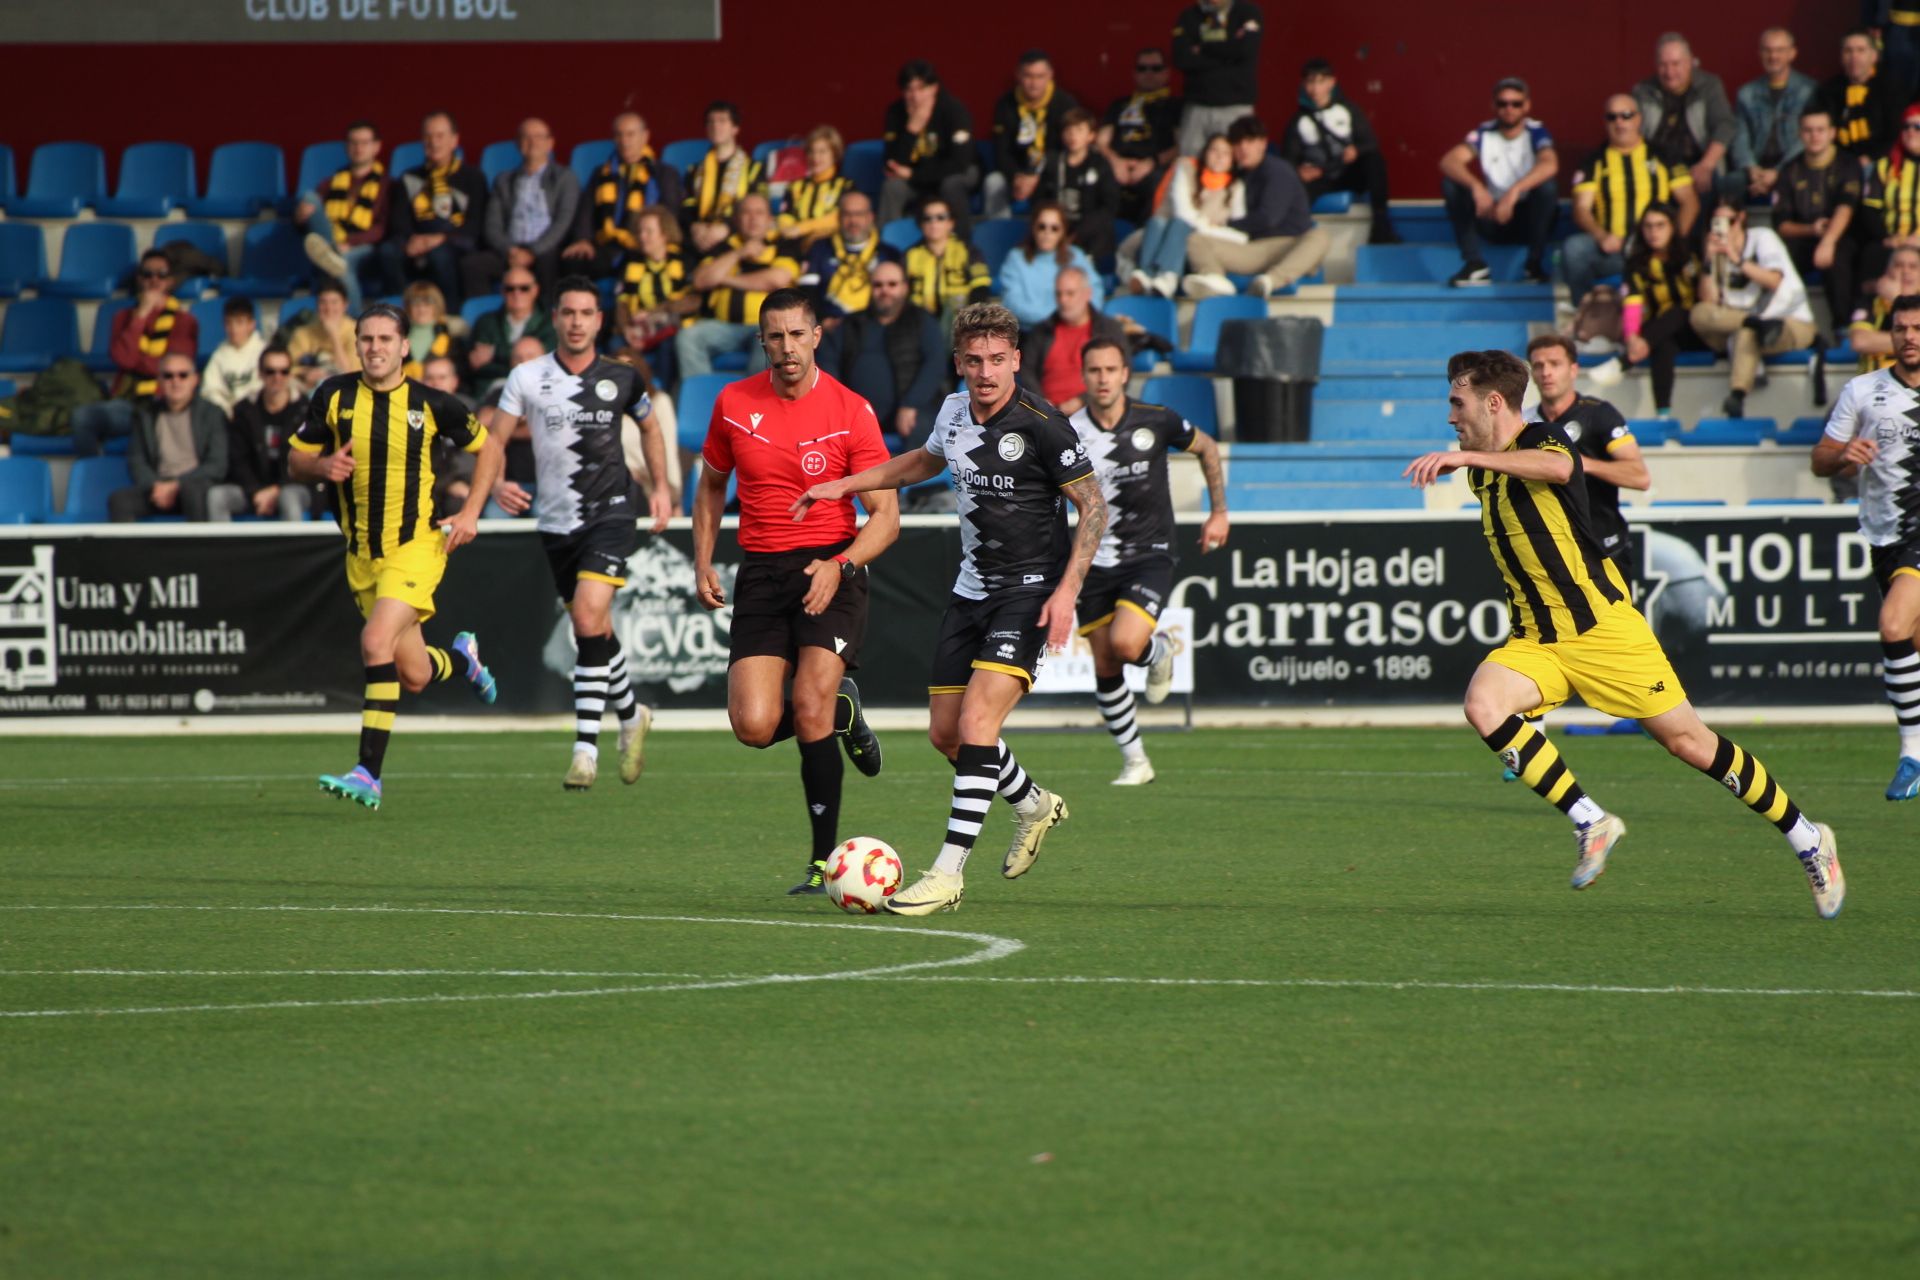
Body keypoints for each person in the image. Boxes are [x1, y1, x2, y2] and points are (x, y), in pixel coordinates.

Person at [1403, 349, 1843, 918]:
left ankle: (1809, 838)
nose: (1449, 417)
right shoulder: (1485, 468)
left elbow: (1559, 469)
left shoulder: (1547, 437)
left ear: (1493, 402)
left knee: (1690, 744)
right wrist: (1470, 458)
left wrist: (1460, 455)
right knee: (1483, 705)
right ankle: (1593, 821)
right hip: (1539, 638)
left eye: (1456, 403)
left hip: (1603, 631)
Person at [792, 302, 1107, 916]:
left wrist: (1067, 591)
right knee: (947, 735)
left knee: (977, 725)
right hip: (971, 591)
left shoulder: (1044, 424)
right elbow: (926, 461)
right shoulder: (954, 410)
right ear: (959, 361)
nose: (985, 372)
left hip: (1030, 592)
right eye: (973, 360)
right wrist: (847, 484)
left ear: (1016, 359)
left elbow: (1093, 508)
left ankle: (947, 873)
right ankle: (1032, 802)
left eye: (997, 360)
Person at [693, 288, 895, 893]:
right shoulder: (732, 403)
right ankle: (845, 707)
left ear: (816, 336)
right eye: (774, 336)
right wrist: (702, 558)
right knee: (754, 726)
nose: (786, 347)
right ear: (762, 341)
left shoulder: (851, 411)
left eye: (796, 334)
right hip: (759, 571)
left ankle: (823, 861)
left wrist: (843, 564)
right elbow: (709, 487)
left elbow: (886, 517)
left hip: (829, 568)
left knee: (806, 708)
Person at [288, 301, 506, 811]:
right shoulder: (335, 396)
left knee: (374, 639)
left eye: (386, 339)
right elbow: (296, 459)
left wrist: (472, 511)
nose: (375, 348)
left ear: (405, 346)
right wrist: (322, 467)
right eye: (367, 339)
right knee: (413, 675)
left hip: (416, 547)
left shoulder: (432, 403)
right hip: (362, 556)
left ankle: (369, 772)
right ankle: (463, 661)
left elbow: (491, 447)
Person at [485, 276, 672, 790]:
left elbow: (651, 427)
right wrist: (494, 485)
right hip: (556, 521)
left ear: (598, 320)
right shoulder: (526, 377)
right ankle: (632, 713)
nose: (576, 322)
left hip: (612, 511)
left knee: (588, 618)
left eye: (586, 313)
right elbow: (493, 439)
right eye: (567, 312)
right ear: (556, 317)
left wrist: (660, 488)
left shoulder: (622, 377)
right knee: (596, 629)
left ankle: (584, 750)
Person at [1069, 336, 1227, 784]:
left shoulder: (1156, 420)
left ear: (1125, 374)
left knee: (1125, 644)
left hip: (1149, 553)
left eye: (1110, 370)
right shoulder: (1069, 430)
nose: (1102, 378)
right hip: (1092, 560)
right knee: (1105, 664)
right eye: (1094, 371)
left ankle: (1160, 649)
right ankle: (1136, 760)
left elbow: (1208, 448)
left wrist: (1219, 512)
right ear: (1084, 376)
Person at [1812, 294, 1920, 801]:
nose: (1909, 336)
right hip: (1886, 535)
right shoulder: (1864, 390)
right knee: (1913, 647)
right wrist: (1843, 455)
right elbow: (1820, 459)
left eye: (1917, 327)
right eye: (1900, 328)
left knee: (1893, 625)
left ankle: (1911, 754)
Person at [1526, 335, 1648, 592]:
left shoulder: (1599, 414)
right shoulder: (1524, 424)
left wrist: (1581, 464)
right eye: (1538, 365)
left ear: (1573, 370)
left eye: (1554, 363)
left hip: (1602, 548)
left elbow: (1639, 476)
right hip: (1548, 553)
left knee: (1617, 631)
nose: (1546, 372)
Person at [1564, 95, 1698, 308]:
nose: (1619, 122)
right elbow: (1581, 208)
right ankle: (1584, 312)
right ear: (1605, 122)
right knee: (1574, 249)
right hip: (1614, 251)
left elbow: (1689, 202)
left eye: (1626, 116)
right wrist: (1602, 236)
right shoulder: (1594, 161)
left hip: (1655, 247)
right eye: (1612, 117)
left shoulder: (1663, 154)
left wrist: (1673, 241)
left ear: (1638, 119)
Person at [1689, 198, 1817, 418]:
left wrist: (1735, 258)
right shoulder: (1715, 250)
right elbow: (1708, 302)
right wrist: (1709, 260)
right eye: (1715, 221)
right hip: (1742, 325)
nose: (1721, 227)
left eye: (1726, 221)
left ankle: (1737, 395)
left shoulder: (1762, 237)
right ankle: (1752, 323)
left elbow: (1773, 280)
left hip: (1788, 321)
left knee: (1748, 332)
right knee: (1698, 313)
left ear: (1741, 218)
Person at [69, 249, 199, 457]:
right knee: (82, 417)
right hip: (129, 404)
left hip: (165, 403)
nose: (154, 280)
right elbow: (123, 359)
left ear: (171, 281)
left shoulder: (185, 322)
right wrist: (140, 317)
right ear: (140, 279)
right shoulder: (122, 318)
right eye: (148, 274)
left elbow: (171, 367)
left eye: (161, 274)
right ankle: (94, 472)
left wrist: (141, 362)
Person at [1183, 115, 1328, 299]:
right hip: (1253, 247)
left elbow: (1269, 218)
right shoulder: (1237, 176)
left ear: (1263, 144)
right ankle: (1215, 280)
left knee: (1320, 236)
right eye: (1237, 143)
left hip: (1290, 244)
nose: (1243, 148)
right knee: (1195, 240)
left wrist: (1227, 224)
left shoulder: (1277, 170)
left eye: (1250, 141)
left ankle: (1269, 282)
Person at [1439, 77, 1558, 287]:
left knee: (1548, 188)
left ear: (1527, 105)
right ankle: (1475, 264)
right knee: (1452, 185)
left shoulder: (1536, 132)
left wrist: (1513, 192)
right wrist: (1477, 187)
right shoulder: (1484, 133)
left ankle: (1534, 265)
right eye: (1503, 103)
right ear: (1493, 106)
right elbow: (1449, 161)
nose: (1509, 109)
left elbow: (1550, 163)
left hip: (1527, 219)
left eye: (1516, 103)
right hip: (1491, 215)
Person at [817, 259, 947, 449]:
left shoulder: (922, 321)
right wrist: (839, 404)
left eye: (892, 284)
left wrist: (911, 404)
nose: (884, 290)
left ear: (904, 287)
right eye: (878, 285)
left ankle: (913, 480)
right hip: (854, 417)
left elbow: (935, 366)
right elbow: (827, 361)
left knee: (924, 431)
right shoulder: (851, 324)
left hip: (912, 412)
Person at [676, 193, 800, 379]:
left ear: (769, 219)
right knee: (687, 337)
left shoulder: (781, 244)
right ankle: (702, 398)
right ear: (736, 219)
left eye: (759, 213)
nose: (753, 219)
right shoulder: (724, 247)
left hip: (764, 326)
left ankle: (754, 405)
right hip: (723, 325)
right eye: (746, 213)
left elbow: (777, 280)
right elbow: (701, 280)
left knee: (773, 341)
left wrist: (726, 279)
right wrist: (739, 253)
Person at [1284, 57, 1401, 245]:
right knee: (1296, 188)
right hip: (1320, 177)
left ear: (1332, 82)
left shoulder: (1348, 110)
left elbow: (1371, 142)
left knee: (1374, 160)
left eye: (1321, 81)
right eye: (1310, 82)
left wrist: (1356, 150)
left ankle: (1381, 227)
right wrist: (1300, 171)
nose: (1315, 89)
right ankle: (1296, 240)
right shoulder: (1298, 120)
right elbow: (1288, 158)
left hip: (1348, 173)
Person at [380, 110, 487, 311]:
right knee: (388, 252)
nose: (433, 142)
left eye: (440, 136)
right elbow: (398, 221)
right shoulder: (409, 177)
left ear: (454, 140)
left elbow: (475, 224)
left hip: (455, 240)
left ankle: (450, 314)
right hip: (417, 239)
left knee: (440, 255)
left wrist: (441, 238)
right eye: (428, 136)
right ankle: (401, 313)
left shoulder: (472, 176)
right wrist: (413, 239)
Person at [468, 116, 579, 304]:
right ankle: (485, 318)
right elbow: (492, 224)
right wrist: (510, 251)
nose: (532, 142)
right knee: (472, 265)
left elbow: (563, 222)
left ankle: (547, 323)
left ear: (550, 143)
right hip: (510, 250)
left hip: (545, 250)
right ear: (518, 143)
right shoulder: (503, 180)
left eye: (538, 137)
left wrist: (533, 251)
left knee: (551, 262)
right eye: (526, 137)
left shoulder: (564, 177)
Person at [107, 352, 229, 522]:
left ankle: (198, 549)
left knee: (192, 492)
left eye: (183, 375)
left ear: (195, 380)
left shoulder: (212, 414)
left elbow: (217, 464)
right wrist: (155, 485)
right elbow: (137, 460)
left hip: (195, 487)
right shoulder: (145, 415)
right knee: (119, 500)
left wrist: (177, 484)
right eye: (168, 375)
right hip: (157, 488)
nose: (175, 381)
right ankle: (130, 550)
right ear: (159, 381)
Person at [562, 112, 685, 280]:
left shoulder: (664, 173)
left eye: (630, 134)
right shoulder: (601, 173)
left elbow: (670, 213)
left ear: (645, 136)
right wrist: (583, 239)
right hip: (607, 243)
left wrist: (652, 241)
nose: (624, 141)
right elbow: (587, 210)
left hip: (644, 242)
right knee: (573, 261)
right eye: (619, 135)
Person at [1124, 132, 1244, 299]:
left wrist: (1204, 228)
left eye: (1225, 153)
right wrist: (1205, 224)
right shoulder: (1187, 168)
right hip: (1169, 232)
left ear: (1232, 159)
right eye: (1214, 150)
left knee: (1181, 226)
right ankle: (1153, 276)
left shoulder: (1236, 187)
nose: (1219, 157)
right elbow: (1182, 211)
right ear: (1205, 152)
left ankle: (1161, 275)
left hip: (1202, 241)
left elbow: (1238, 230)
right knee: (1159, 222)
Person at [1773, 106, 1862, 331]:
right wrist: (1812, 230)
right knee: (1779, 256)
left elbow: (1846, 207)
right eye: (1808, 130)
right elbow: (1782, 225)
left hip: (1842, 236)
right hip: (1804, 237)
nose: (1814, 136)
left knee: (1838, 257)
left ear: (1832, 133)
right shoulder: (1789, 170)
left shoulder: (1848, 164)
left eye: (1820, 130)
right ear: (1799, 134)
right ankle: (1783, 326)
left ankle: (1842, 329)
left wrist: (1828, 240)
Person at [1620, 202, 1708, 418]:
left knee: (1679, 312)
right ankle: (1663, 412)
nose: (1653, 232)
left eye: (1660, 225)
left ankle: (1625, 361)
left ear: (1672, 227)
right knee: (1663, 346)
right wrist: (1632, 338)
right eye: (1648, 227)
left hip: (1697, 329)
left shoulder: (1691, 254)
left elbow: (1706, 298)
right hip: (1660, 333)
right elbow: (1632, 302)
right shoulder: (1636, 263)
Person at [878, 60, 980, 241]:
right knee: (892, 186)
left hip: (953, 173)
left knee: (952, 183)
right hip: (915, 179)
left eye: (921, 88)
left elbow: (959, 163)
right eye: (909, 90)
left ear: (934, 88)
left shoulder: (954, 110)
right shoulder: (896, 112)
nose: (915, 96)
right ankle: (886, 248)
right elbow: (891, 164)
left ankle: (963, 244)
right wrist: (911, 131)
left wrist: (913, 175)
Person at [210, 347, 314, 522]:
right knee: (217, 496)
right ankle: (224, 550)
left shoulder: (306, 411)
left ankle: (294, 550)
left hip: (294, 487)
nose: (277, 377)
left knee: (288, 498)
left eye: (284, 371)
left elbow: (308, 461)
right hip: (252, 489)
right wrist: (256, 492)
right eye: (270, 371)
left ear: (290, 375)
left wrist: (276, 490)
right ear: (260, 374)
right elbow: (237, 460)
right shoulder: (244, 410)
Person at [1632, 33, 1738, 200]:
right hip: (1655, 167)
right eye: (1663, 65)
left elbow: (1725, 126)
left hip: (1697, 163)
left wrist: (1706, 164)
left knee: (1708, 180)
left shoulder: (1709, 86)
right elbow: (1632, 132)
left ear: (1690, 63)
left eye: (1676, 64)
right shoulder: (1643, 91)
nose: (1669, 72)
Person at [298, 120, 390, 308]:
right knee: (309, 197)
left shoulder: (387, 184)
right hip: (332, 239)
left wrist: (350, 242)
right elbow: (311, 222)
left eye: (364, 143)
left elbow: (383, 227)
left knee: (342, 263)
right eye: (353, 142)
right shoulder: (331, 183)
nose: (358, 148)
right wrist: (299, 217)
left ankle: (331, 257)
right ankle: (356, 326)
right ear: (346, 147)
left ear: (377, 146)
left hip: (365, 248)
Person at [1018, 265, 1125, 416]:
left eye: (1070, 294)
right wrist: (1041, 402)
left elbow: (1121, 374)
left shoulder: (1108, 329)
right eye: (1058, 294)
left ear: (1087, 294)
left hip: (1096, 412)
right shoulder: (1041, 331)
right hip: (1046, 416)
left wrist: (1083, 401)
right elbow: (1027, 371)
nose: (1063, 300)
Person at [985, 49, 1079, 220]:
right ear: (1018, 75)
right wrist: (1017, 177)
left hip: (1049, 172)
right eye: (1028, 76)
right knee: (993, 181)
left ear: (1050, 75)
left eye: (1040, 76)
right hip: (1016, 174)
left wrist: (1037, 174)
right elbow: (1001, 151)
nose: (1034, 83)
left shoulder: (1065, 103)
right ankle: (999, 232)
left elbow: (1069, 151)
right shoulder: (1005, 103)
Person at [614, 206, 697, 393]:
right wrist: (627, 328)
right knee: (616, 346)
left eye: (649, 231)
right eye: (640, 231)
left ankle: (663, 396)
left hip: (669, 329)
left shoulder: (684, 262)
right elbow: (622, 302)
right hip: (637, 330)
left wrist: (655, 312)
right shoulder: (630, 264)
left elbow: (693, 300)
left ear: (664, 235)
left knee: (670, 346)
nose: (643, 236)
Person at [1733, 28, 1819, 202]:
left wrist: (1779, 171)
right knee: (1730, 183)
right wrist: (1751, 168)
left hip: (1795, 166)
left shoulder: (1809, 91)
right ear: (1759, 53)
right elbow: (1739, 136)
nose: (1773, 56)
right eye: (1767, 50)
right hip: (1756, 168)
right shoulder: (1746, 93)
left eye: (1780, 50)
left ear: (1792, 53)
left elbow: (1807, 137)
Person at [1171, 0, 1265, 158]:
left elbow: (1245, 50)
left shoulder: (1247, 12)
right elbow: (1182, 59)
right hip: (1197, 107)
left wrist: (1203, 47)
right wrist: (1228, 51)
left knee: (1236, 162)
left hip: (1236, 107)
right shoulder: (1189, 16)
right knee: (1189, 163)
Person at [1100, 46, 1182, 224]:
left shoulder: (1175, 106)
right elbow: (1100, 142)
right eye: (1142, 68)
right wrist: (1116, 162)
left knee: (1161, 182)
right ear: (1134, 73)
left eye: (1156, 68)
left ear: (1167, 73)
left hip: (1153, 166)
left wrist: (1152, 162)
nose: (1148, 73)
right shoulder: (1119, 104)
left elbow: (1181, 145)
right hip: (1118, 165)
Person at [795, 190, 900, 320]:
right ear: (838, 217)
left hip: (873, 325)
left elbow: (897, 298)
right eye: (847, 214)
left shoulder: (889, 254)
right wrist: (822, 320)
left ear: (871, 217)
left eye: (859, 214)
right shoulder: (819, 248)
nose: (853, 221)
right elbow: (807, 293)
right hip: (829, 327)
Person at [1035, 107, 1122, 262]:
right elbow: (1039, 199)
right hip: (1057, 225)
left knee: (1104, 229)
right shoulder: (1052, 162)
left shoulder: (1100, 165)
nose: (1073, 135)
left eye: (1079, 130)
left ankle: (1087, 264)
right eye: (1068, 130)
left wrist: (1080, 233)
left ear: (1091, 136)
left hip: (1088, 229)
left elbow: (1109, 206)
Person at [999, 201, 1103, 327]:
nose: (1047, 232)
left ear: (1062, 232)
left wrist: (1075, 316)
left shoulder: (1075, 256)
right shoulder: (1016, 258)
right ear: (1033, 228)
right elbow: (1013, 303)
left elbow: (1095, 292)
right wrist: (1057, 320)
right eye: (1042, 226)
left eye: (1055, 228)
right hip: (1031, 333)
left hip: (1073, 327)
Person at [683, 101, 767, 254]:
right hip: (700, 237)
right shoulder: (695, 170)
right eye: (711, 122)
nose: (716, 126)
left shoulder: (753, 169)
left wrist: (726, 228)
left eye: (722, 120)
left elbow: (758, 210)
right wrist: (694, 226)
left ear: (735, 128)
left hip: (736, 236)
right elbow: (687, 206)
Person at [902, 198, 991, 332]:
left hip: (960, 321)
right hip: (918, 322)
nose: (934, 222)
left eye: (941, 217)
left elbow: (981, 287)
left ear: (951, 222)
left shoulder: (968, 251)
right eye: (927, 218)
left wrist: (971, 321)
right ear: (920, 224)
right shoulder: (910, 255)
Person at [1860, 103, 1920, 290]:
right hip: (1892, 240)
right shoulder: (1885, 166)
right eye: (1906, 127)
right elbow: (1870, 210)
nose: (1910, 132)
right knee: (1871, 254)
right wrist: (1888, 237)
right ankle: (1865, 313)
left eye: (1917, 127)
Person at [468, 266, 556, 388]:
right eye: (510, 288)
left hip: (539, 388)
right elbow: (479, 367)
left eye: (524, 288)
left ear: (535, 290)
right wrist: (526, 361)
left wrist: (495, 353)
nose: (516, 293)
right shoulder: (486, 323)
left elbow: (549, 363)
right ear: (502, 291)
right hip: (494, 389)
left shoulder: (551, 322)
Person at [1823, 28, 1902, 160]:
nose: (1854, 56)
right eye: (1848, 51)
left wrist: (1870, 157)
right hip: (1839, 162)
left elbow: (1896, 135)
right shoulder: (1829, 90)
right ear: (1841, 57)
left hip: (1879, 160)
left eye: (1861, 50)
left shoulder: (1891, 89)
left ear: (1874, 56)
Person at [778, 126, 854, 250]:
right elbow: (785, 216)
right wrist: (788, 230)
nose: (815, 157)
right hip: (794, 243)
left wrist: (802, 229)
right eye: (811, 152)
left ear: (834, 154)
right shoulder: (795, 185)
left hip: (829, 245)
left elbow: (839, 218)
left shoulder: (846, 186)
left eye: (822, 152)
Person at [1849, 243, 1920, 373]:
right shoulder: (1871, 302)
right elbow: (1859, 341)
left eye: (1913, 266)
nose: (1905, 271)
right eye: (1899, 265)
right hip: (1873, 386)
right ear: (1888, 271)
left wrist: (1896, 300)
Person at [286, 281, 360, 391]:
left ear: (345, 305)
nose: (328, 308)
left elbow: (350, 375)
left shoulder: (357, 332)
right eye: (323, 302)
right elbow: (285, 368)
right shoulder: (303, 333)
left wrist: (334, 336)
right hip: (307, 389)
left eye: (334, 303)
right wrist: (306, 373)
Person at [200, 298, 265, 417]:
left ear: (251, 324)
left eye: (240, 322)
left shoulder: (263, 352)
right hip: (227, 417)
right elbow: (210, 390)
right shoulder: (219, 355)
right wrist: (226, 409)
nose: (234, 329)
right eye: (229, 323)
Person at [398, 282, 468, 385]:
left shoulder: (453, 335)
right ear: (408, 307)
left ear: (437, 306)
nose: (421, 309)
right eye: (416, 304)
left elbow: (461, 374)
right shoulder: (396, 335)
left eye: (427, 304)